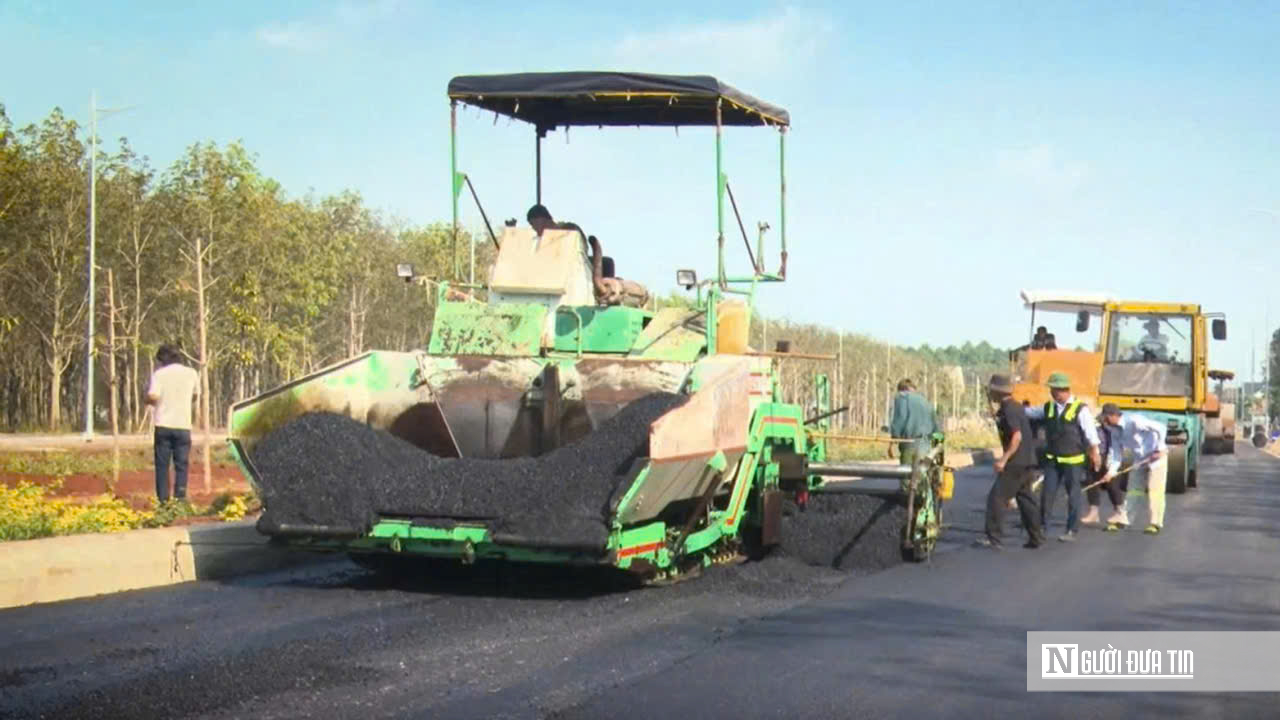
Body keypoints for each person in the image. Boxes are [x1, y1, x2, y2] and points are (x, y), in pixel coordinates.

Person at [1023, 372, 1102, 542]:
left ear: (1064, 390)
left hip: (1073, 461)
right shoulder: (1049, 408)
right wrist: (1013, 409)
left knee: (1073, 495)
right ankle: (1042, 527)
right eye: (1052, 390)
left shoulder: (1080, 409)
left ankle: (1071, 529)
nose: (1052, 393)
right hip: (1053, 460)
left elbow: (1090, 432)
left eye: (1055, 390)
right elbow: (1030, 413)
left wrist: (1095, 453)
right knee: (1047, 494)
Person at [975, 374, 1045, 549]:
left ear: (997, 392)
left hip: (1016, 461)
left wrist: (1003, 460)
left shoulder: (1009, 409)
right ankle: (1036, 537)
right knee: (1026, 499)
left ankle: (994, 538)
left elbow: (1017, 437)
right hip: (1028, 460)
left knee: (997, 498)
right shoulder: (1015, 407)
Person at [1097, 403, 1169, 534]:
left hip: (1156, 458)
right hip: (1140, 459)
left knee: (1155, 490)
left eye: (1105, 418)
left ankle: (1155, 523)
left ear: (1113, 416)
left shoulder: (1134, 421)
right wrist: (1111, 473)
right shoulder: (1114, 432)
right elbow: (1116, 454)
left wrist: (1160, 448)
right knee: (1133, 490)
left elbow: (1161, 428)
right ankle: (1125, 520)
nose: (1104, 422)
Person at [145, 344, 200, 503]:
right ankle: (180, 498)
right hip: (183, 425)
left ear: (163, 359)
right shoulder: (191, 373)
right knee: (181, 464)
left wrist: (146, 399)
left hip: (163, 425)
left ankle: (163, 501)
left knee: (162, 466)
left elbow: (153, 397)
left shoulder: (160, 374)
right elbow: (195, 395)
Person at [1080, 412, 1127, 526]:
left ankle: (1120, 512)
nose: (1105, 421)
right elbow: (1089, 439)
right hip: (1096, 454)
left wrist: (1111, 466)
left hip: (1113, 456)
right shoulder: (1095, 424)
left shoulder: (1118, 427)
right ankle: (1093, 513)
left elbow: (1119, 446)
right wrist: (1093, 454)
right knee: (1091, 481)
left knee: (1112, 485)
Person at [888, 379, 940, 466]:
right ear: (913, 389)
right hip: (926, 446)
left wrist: (893, 440)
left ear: (901, 389)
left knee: (907, 476)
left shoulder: (901, 398)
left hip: (909, 444)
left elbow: (899, 421)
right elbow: (936, 429)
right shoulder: (926, 402)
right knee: (922, 475)